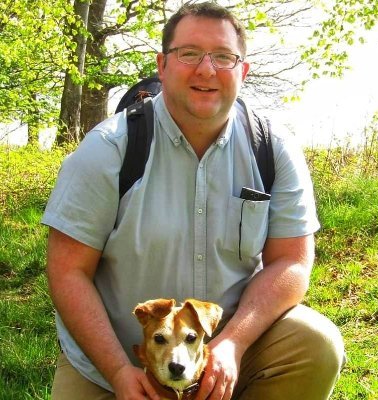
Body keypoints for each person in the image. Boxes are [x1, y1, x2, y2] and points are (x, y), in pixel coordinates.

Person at [42, 2, 345, 399]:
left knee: (315, 344)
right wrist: (118, 371)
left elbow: (292, 261)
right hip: (112, 362)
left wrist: (234, 342)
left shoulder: (273, 149)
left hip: (225, 355)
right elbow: (67, 271)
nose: (207, 70)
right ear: (162, 65)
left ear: (243, 71)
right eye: (189, 54)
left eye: (224, 57)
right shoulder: (108, 149)